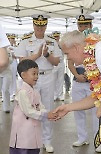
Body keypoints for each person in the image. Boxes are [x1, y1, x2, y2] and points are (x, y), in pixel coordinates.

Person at [15, 14, 61, 153]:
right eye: (37, 25)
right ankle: (32, 139)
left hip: (47, 77)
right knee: (30, 109)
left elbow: (57, 62)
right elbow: (22, 62)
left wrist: (47, 55)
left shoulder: (52, 41)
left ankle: (47, 141)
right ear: (33, 25)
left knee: (47, 108)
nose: (40, 28)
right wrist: (37, 55)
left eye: (42, 25)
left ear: (46, 26)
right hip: (30, 80)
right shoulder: (25, 41)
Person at [67, 14, 101, 152]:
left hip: (94, 82)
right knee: (78, 110)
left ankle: (97, 140)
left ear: (91, 26)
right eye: (80, 25)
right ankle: (82, 137)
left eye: (85, 25)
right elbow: (70, 62)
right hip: (78, 80)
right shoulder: (72, 42)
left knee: (96, 112)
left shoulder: (96, 41)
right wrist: (76, 75)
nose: (82, 28)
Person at [9, 59, 57, 154]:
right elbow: (28, 111)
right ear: (23, 75)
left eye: (37, 74)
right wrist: (46, 115)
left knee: (33, 148)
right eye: (34, 74)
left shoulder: (34, 91)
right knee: (23, 149)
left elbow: (40, 106)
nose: (37, 77)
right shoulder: (22, 92)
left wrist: (50, 114)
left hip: (32, 129)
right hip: (23, 131)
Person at [52, 31, 65, 101]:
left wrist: (59, 45)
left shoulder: (61, 44)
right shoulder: (51, 44)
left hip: (61, 63)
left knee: (60, 79)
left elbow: (65, 51)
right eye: (55, 37)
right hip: (54, 64)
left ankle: (60, 94)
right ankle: (54, 94)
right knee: (53, 79)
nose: (56, 38)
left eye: (57, 36)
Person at [6, 33, 18, 101]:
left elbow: (17, 55)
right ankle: (8, 94)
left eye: (13, 38)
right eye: (11, 38)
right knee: (7, 79)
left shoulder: (15, 47)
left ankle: (13, 92)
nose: (12, 40)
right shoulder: (5, 47)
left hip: (13, 63)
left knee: (13, 78)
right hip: (7, 64)